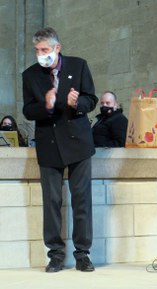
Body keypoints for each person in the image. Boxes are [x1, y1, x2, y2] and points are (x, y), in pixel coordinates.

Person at [22, 27, 98, 273]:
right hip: (49, 143)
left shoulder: (78, 66)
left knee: (82, 200)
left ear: (57, 48)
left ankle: (83, 254)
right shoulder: (30, 75)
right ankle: (55, 255)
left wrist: (78, 104)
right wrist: (45, 105)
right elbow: (27, 111)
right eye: (37, 50)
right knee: (51, 201)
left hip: (78, 142)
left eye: (44, 49)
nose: (40, 54)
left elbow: (91, 99)